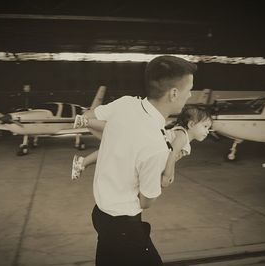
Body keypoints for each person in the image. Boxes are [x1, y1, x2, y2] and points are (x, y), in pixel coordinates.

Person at [82, 55, 197, 266]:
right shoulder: (155, 146)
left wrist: (115, 139)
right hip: (124, 227)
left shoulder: (125, 104)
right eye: (189, 89)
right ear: (173, 93)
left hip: (100, 215)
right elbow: (146, 201)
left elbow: (89, 116)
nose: (190, 94)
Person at [71, 105, 213, 188]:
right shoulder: (182, 136)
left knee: (114, 143)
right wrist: (169, 174)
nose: (208, 131)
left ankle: (82, 161)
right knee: (117, 134)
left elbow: (167, 158)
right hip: (145, 142)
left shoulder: (184, 139)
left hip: (145, 149)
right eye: (206, 126)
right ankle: (86, 122)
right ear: (191, 125)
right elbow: (171, 152)